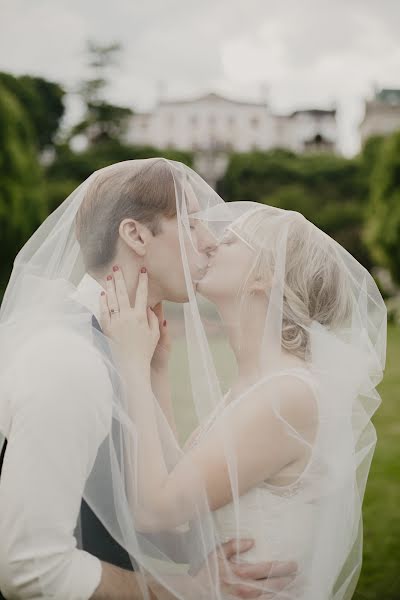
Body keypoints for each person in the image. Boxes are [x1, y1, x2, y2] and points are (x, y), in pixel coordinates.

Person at [0, 159, 297, 600]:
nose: (210, 242)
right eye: (191, 223)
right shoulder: (69, 361)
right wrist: (175, 590)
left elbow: (139, 507)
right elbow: (29, 568)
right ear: (136, 235)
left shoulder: (123, 346)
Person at [100, 200, 387, 598]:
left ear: (265, 276)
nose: (211, 246)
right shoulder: (256, 388)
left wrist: (130, 364)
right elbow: (180, 512)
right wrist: (156, 369)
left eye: (232, 241)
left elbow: (155, 511)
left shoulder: (287, 396)